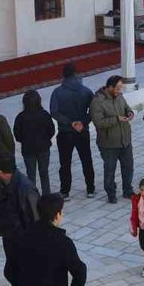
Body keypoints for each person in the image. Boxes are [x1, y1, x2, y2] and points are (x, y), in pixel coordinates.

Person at [0, 154, 39, 286]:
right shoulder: (8, 185)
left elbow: (36, 219)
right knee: (13, 276)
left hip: (23, 245)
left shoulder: (25, 188)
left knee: (22, 283)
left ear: (2, 172)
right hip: (12, 242)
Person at [50, 63, 96, 200]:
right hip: (82, 131)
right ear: (76, 74)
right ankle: (90, 189)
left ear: (63, 75)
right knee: (86, 160)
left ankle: (65, 192)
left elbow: (54, 112)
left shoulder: (57, 92)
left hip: (65, 132)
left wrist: (70, 123)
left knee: (65, 163)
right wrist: (83, 122)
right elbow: (94, 110)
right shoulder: (86, 91)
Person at [89, 75, 136, 204]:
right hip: (108, 143)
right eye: (118, 88)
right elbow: (98, 123)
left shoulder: (119, 96)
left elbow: (126, 107)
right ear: (110, 87)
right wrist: (116, 119)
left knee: (128, 167)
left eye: (121, 88)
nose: (120, 91)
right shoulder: (97, 101)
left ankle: (127, 190)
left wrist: (130, 113)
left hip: (125, 140)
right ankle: (111, 193)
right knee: (110, 169)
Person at [12, 89, 55, 196]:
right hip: (43, 148)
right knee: (44, 173)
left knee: (30, 175)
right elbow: (51, 131)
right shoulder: (44, 115)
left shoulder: (20, 117)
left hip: (28, 149)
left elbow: (17, 135)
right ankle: (46, 195)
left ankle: (32, 197)